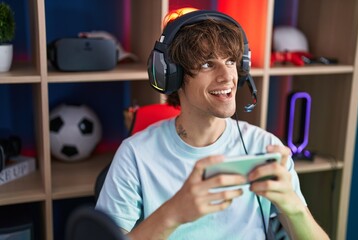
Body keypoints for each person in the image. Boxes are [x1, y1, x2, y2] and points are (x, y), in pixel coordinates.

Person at [96, 9, 329, 240]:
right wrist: (174, 213)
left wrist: (294, 208)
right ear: (172, 75)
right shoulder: (135, 154)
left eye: (230, 61)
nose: (227, 76)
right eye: (207, 64)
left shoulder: (265, 147)